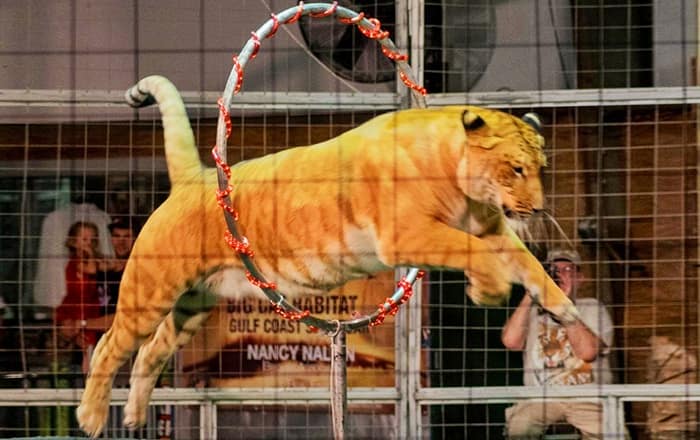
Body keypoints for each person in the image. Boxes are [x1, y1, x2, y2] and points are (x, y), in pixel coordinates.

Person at [501, 249, 614, 439]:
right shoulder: (533, 311)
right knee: (519, 429)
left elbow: (588, 353)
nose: (559, 275)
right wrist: (531, 294)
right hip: (541, 398)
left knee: (610, 433)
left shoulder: (592, 307)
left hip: (588, 397)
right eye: (553, 270)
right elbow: (511, 342)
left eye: (567, 270)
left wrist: (563, 306)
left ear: (580, 278)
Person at [54, 221, 104, 375]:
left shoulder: (89, 258)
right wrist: (92, 256)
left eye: (92, 240)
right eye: (84, 240)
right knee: (86, 343)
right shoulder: (77, 261)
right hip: (78, 304)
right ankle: (87, 374)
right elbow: (92, 269)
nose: (88, 244)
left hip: (90, 304)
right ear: (73, 242)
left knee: (90, 342)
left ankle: (90, 372)